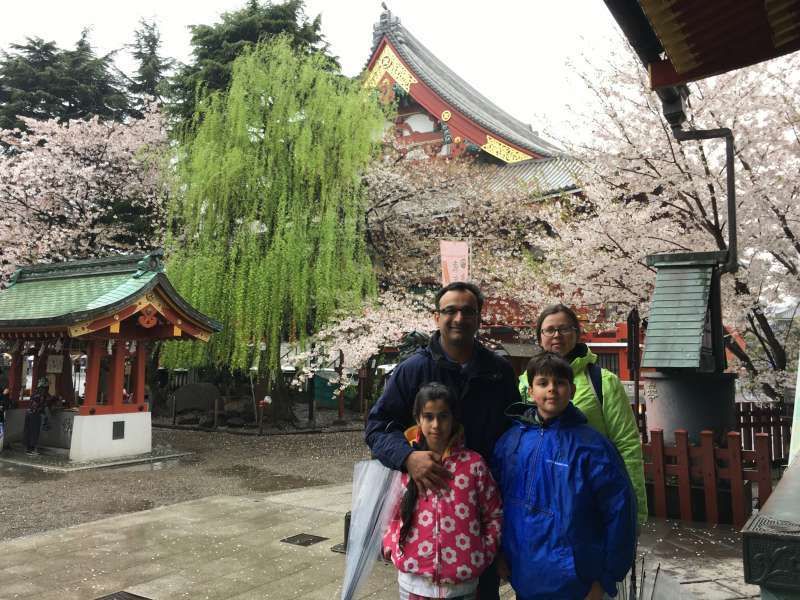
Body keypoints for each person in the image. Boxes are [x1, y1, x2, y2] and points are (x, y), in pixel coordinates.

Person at [366, 281, 519, 600]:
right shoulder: (413, 370)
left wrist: (490, 547)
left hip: (476, 521)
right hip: (423, 527)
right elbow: (377, 427)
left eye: (467, 311)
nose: (459, 318)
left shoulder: (499, 372)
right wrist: (408, 458)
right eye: (450, 310)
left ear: (479, 317)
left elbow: (513, 433)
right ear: (437, 317)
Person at [494, 352, 637, 600]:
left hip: (577, 582)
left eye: (560, 383)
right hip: (524, 573)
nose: (552, 389)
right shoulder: (511, 442)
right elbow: (492, 503)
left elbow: (620, 511)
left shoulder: (593, 447)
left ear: (571, 389)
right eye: (543, 383)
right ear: (530, 391)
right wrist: (497, 553)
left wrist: (605, 577)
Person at [517, 304, 647, 523]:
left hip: (592, 493)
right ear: (540, 337)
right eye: (549, 330)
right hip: (542, 497)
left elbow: (627, 445)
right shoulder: (524, 383)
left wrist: (635, 510)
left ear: (577, 333)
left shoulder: (603, 382)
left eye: (564, 329)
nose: (556, 335)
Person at [383, 383, 502, 600]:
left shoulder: (474, 465)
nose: (436, 425)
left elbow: (493, 514)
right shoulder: (406, 464)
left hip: (462, 586)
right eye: (428, 416)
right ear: (418, 418)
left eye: (443, 416)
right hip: (413, 584)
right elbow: (390, 513)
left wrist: (482, 553)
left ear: (453, 418)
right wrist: (393, 547)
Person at [24, 377, 49, 455]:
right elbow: (40, 405)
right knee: (34, 432)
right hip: (35, 414)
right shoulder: (42, 393)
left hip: (28, 413)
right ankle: (31, 449)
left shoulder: (35, 391)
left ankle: (28, 449)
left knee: (28, 431)